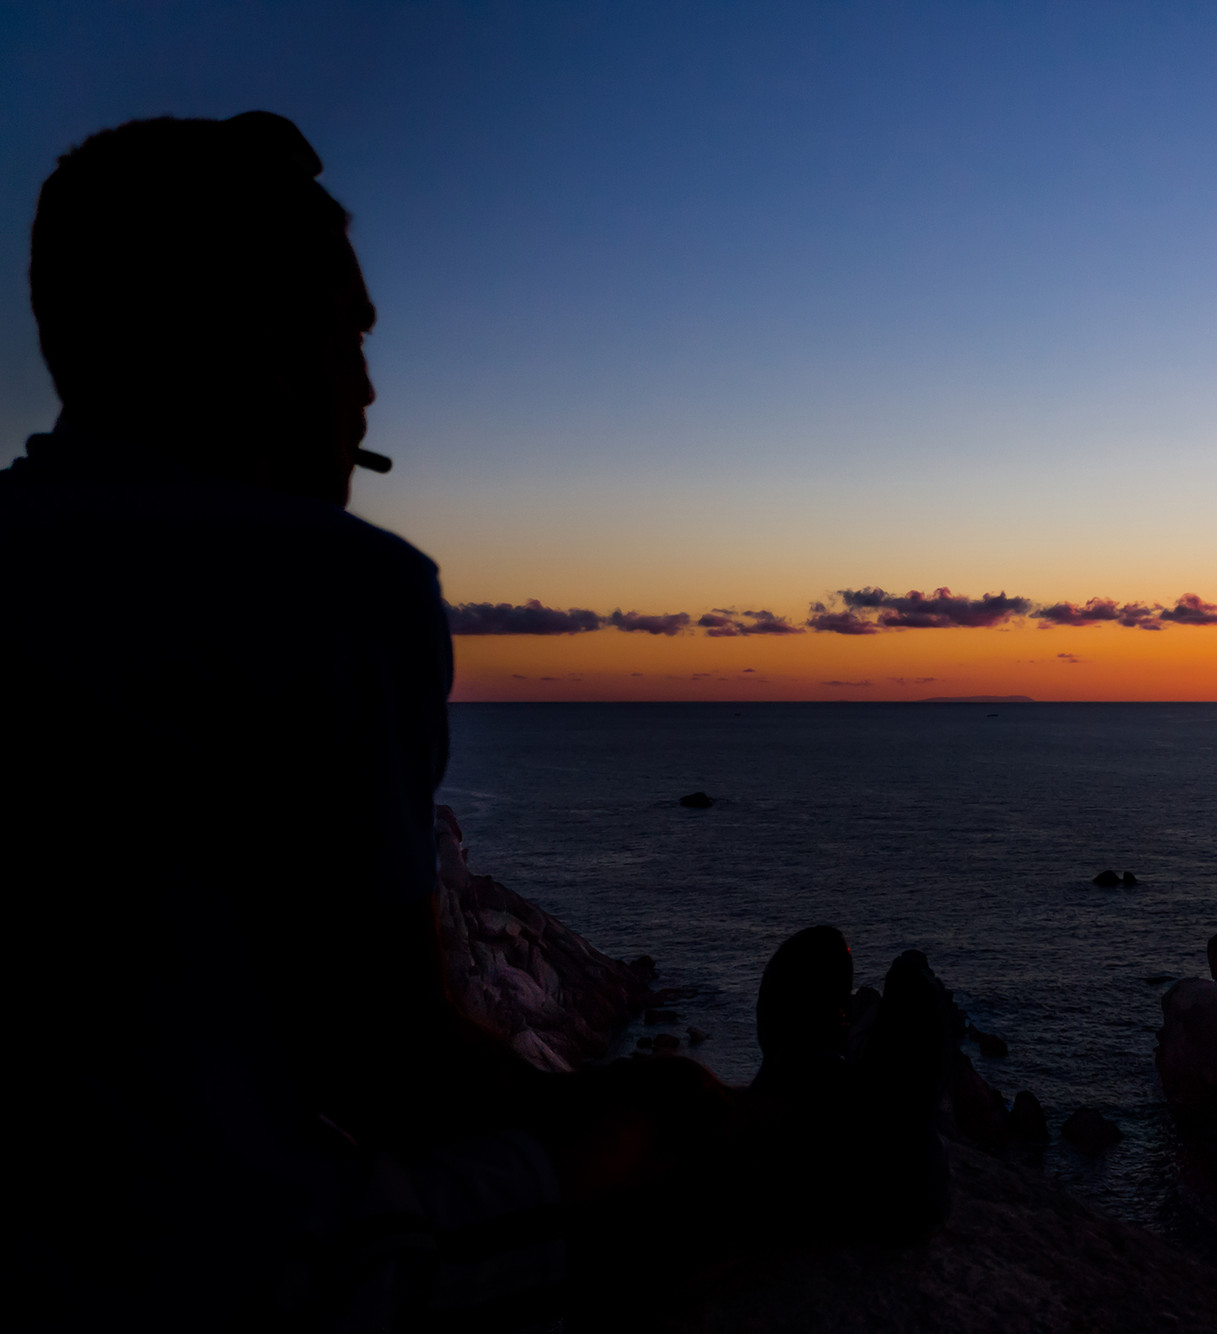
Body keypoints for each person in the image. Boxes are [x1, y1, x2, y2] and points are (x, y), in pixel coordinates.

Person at [1, 113, 947, 1333]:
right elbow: (395, 1067)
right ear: (264, 354)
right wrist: (644, 1105)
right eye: (348, 335)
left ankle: (791, 1096)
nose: (370, 387)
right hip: (193, 1271)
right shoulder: (336, 590)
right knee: (635, 1133)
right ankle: (830, 1144)